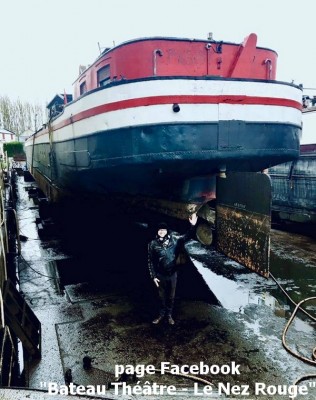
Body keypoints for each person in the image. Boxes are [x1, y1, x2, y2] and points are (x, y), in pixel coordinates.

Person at [148, 213, 198, 325]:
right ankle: (161, 315)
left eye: (164, 230)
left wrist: (193, 226)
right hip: (160, 275)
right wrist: (153, 276)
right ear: (157, 231)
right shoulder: (152, 244)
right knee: (161, 297)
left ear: (167, 231)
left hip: (172, 274)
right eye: (159, 230)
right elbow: (150, 260)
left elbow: (187, 236)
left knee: (171, 297)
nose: (161, 232)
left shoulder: (175, 240)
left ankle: (169, 315)